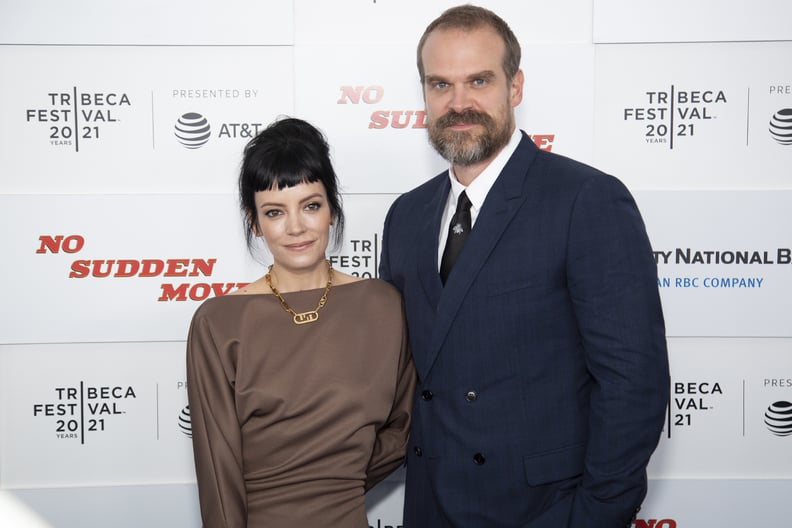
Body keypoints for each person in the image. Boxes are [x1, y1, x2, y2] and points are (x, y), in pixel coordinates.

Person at [379, 5, 669, 527]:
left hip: (542, 511)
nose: (458, 102)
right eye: (440, 84)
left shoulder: (587, 200)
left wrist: (594, 517)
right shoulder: (405, 215)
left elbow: (633, 384)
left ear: (515, 87)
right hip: (430, 508)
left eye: (479, 80)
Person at [187, 117, 416, 527]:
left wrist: (336, 483)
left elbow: (405, 428)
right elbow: (218, 477)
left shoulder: (383, 306)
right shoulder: (218, 324)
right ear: (254, 222)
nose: (296, 227)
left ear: (332, 208)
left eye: (311, 205)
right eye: (275, 212)